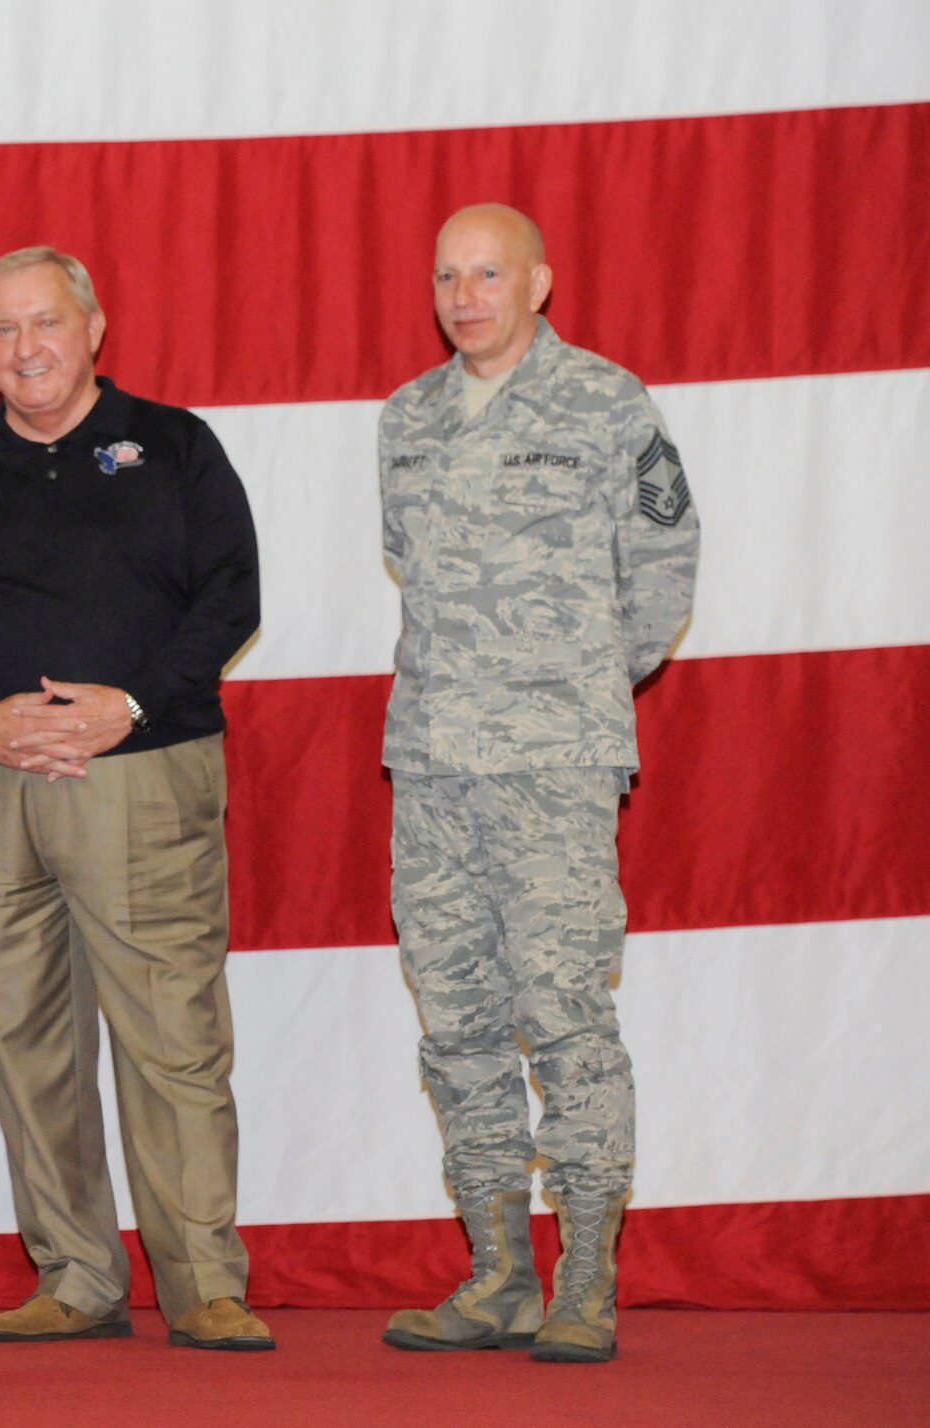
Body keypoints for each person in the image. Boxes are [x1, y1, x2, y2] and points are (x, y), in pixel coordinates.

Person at [0, 247, 270, 1351]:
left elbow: (230, 594)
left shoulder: (177, 447)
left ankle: (203, 1283)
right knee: (25, 1035)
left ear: (93, 326)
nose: (25, 348)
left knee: (170, 1033)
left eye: (44, 322)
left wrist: (127, 705)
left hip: (139, 771)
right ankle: (76, 1274)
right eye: (1, 331)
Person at [377, 204, 699, 1364]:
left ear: (538, 284)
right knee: (456, 1026)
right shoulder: (405, 418)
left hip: (551, 770)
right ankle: (497, 1271)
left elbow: (661, 566)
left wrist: (568, 691)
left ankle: (585, 1280)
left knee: (563, 1016)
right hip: (428, 768)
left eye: (487, 273)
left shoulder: (606, 404)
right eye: (446, 275)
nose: (464, 295)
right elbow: (410, 565)